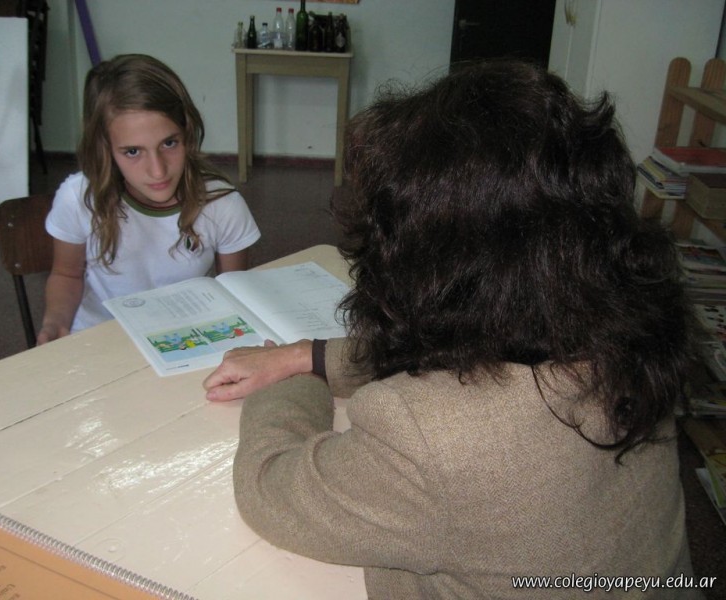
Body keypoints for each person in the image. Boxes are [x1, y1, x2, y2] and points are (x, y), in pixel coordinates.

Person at [203, 60, 704, 599]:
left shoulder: (428, 437)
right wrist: (311, 355)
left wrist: (291, 381)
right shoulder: (636, 336)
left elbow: (269, 489)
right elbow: (489, 364)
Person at [38, 54, 260, 343]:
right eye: (133, 151)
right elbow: (67, 275)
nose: (157, 170)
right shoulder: (78, 198)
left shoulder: (222, 205)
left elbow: (233, 292)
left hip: (186, 339)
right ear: (105, 149)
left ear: (187, 134)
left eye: (169, 143)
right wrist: (55, 323)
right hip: (99, 341)